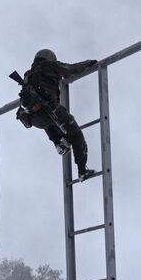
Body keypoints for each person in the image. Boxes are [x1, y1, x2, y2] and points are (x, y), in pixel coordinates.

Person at [15, 49, 98, 182]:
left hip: (35, 119)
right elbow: (70, 68)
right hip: (52, 111)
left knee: (49, 120)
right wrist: (88, 63)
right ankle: (82, 171)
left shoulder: (28, 75)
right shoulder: (49, 66)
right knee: (76, 136)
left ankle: (58, 143)